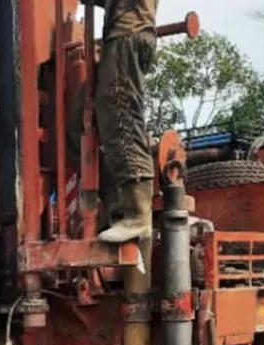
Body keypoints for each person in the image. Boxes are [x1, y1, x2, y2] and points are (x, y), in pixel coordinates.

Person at [94, 0, 159, 243]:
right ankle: (120, 206)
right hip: (126, 34)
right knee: (109, 114)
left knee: (121, 115)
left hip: (127, 34)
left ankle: (137, 214)